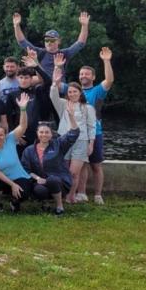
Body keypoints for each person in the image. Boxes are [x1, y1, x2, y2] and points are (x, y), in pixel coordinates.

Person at [48, 53, 97, 204]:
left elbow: (91, 127)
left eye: (75, 91)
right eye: (70, 92)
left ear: (80, 93)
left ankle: (71, 196)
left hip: (81, 142)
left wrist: (91, 144)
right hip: (64, 140)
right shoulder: (63, 104)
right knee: (63, 170)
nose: (72, 94)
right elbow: (53, 96)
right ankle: (62, 195)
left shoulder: (87, 108)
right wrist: (55, 83)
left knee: (74, 172)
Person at [21, 103, 82, 216]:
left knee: (52, 180)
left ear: (51, 134)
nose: (44, 135)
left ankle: (59, 206)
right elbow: (26, 170)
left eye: (47, 132)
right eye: (41, 132)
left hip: (59, 182)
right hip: (41, 182)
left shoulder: (58, 144)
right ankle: (45, 203)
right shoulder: (29, 150)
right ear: (37, 134)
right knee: (39, 190)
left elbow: (74, 133)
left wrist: (72, 116)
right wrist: (37, 178)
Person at [0, 93, 33, 213]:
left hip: (18, 176)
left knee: (24, 193)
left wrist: (23, 109)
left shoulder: (11, 139)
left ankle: (14, 202)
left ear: (5, 135)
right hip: (1, 178)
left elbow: (23, 125)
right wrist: (12, 184)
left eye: (1, 135)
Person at [76, 46, 115, 205]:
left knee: (96, 166)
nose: (83, 76)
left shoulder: (98, 90)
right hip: (79, 134)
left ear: (93, 77)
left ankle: (98, 195)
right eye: (81, 74)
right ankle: (81, 193)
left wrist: (106, 61)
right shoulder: (74, 91)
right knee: (82, 165)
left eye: (86, 74)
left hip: (95, 133)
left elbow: (110, 80)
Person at [13, 11, 90, 79]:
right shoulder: (39, 52)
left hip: (59, 88)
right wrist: (16, 26)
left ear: (58, 41)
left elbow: (80, 43)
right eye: (47, 40)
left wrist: (84, 26)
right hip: (44, 87)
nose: (49, 42)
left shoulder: (64, 54)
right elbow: (22, 42)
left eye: (52, 40)